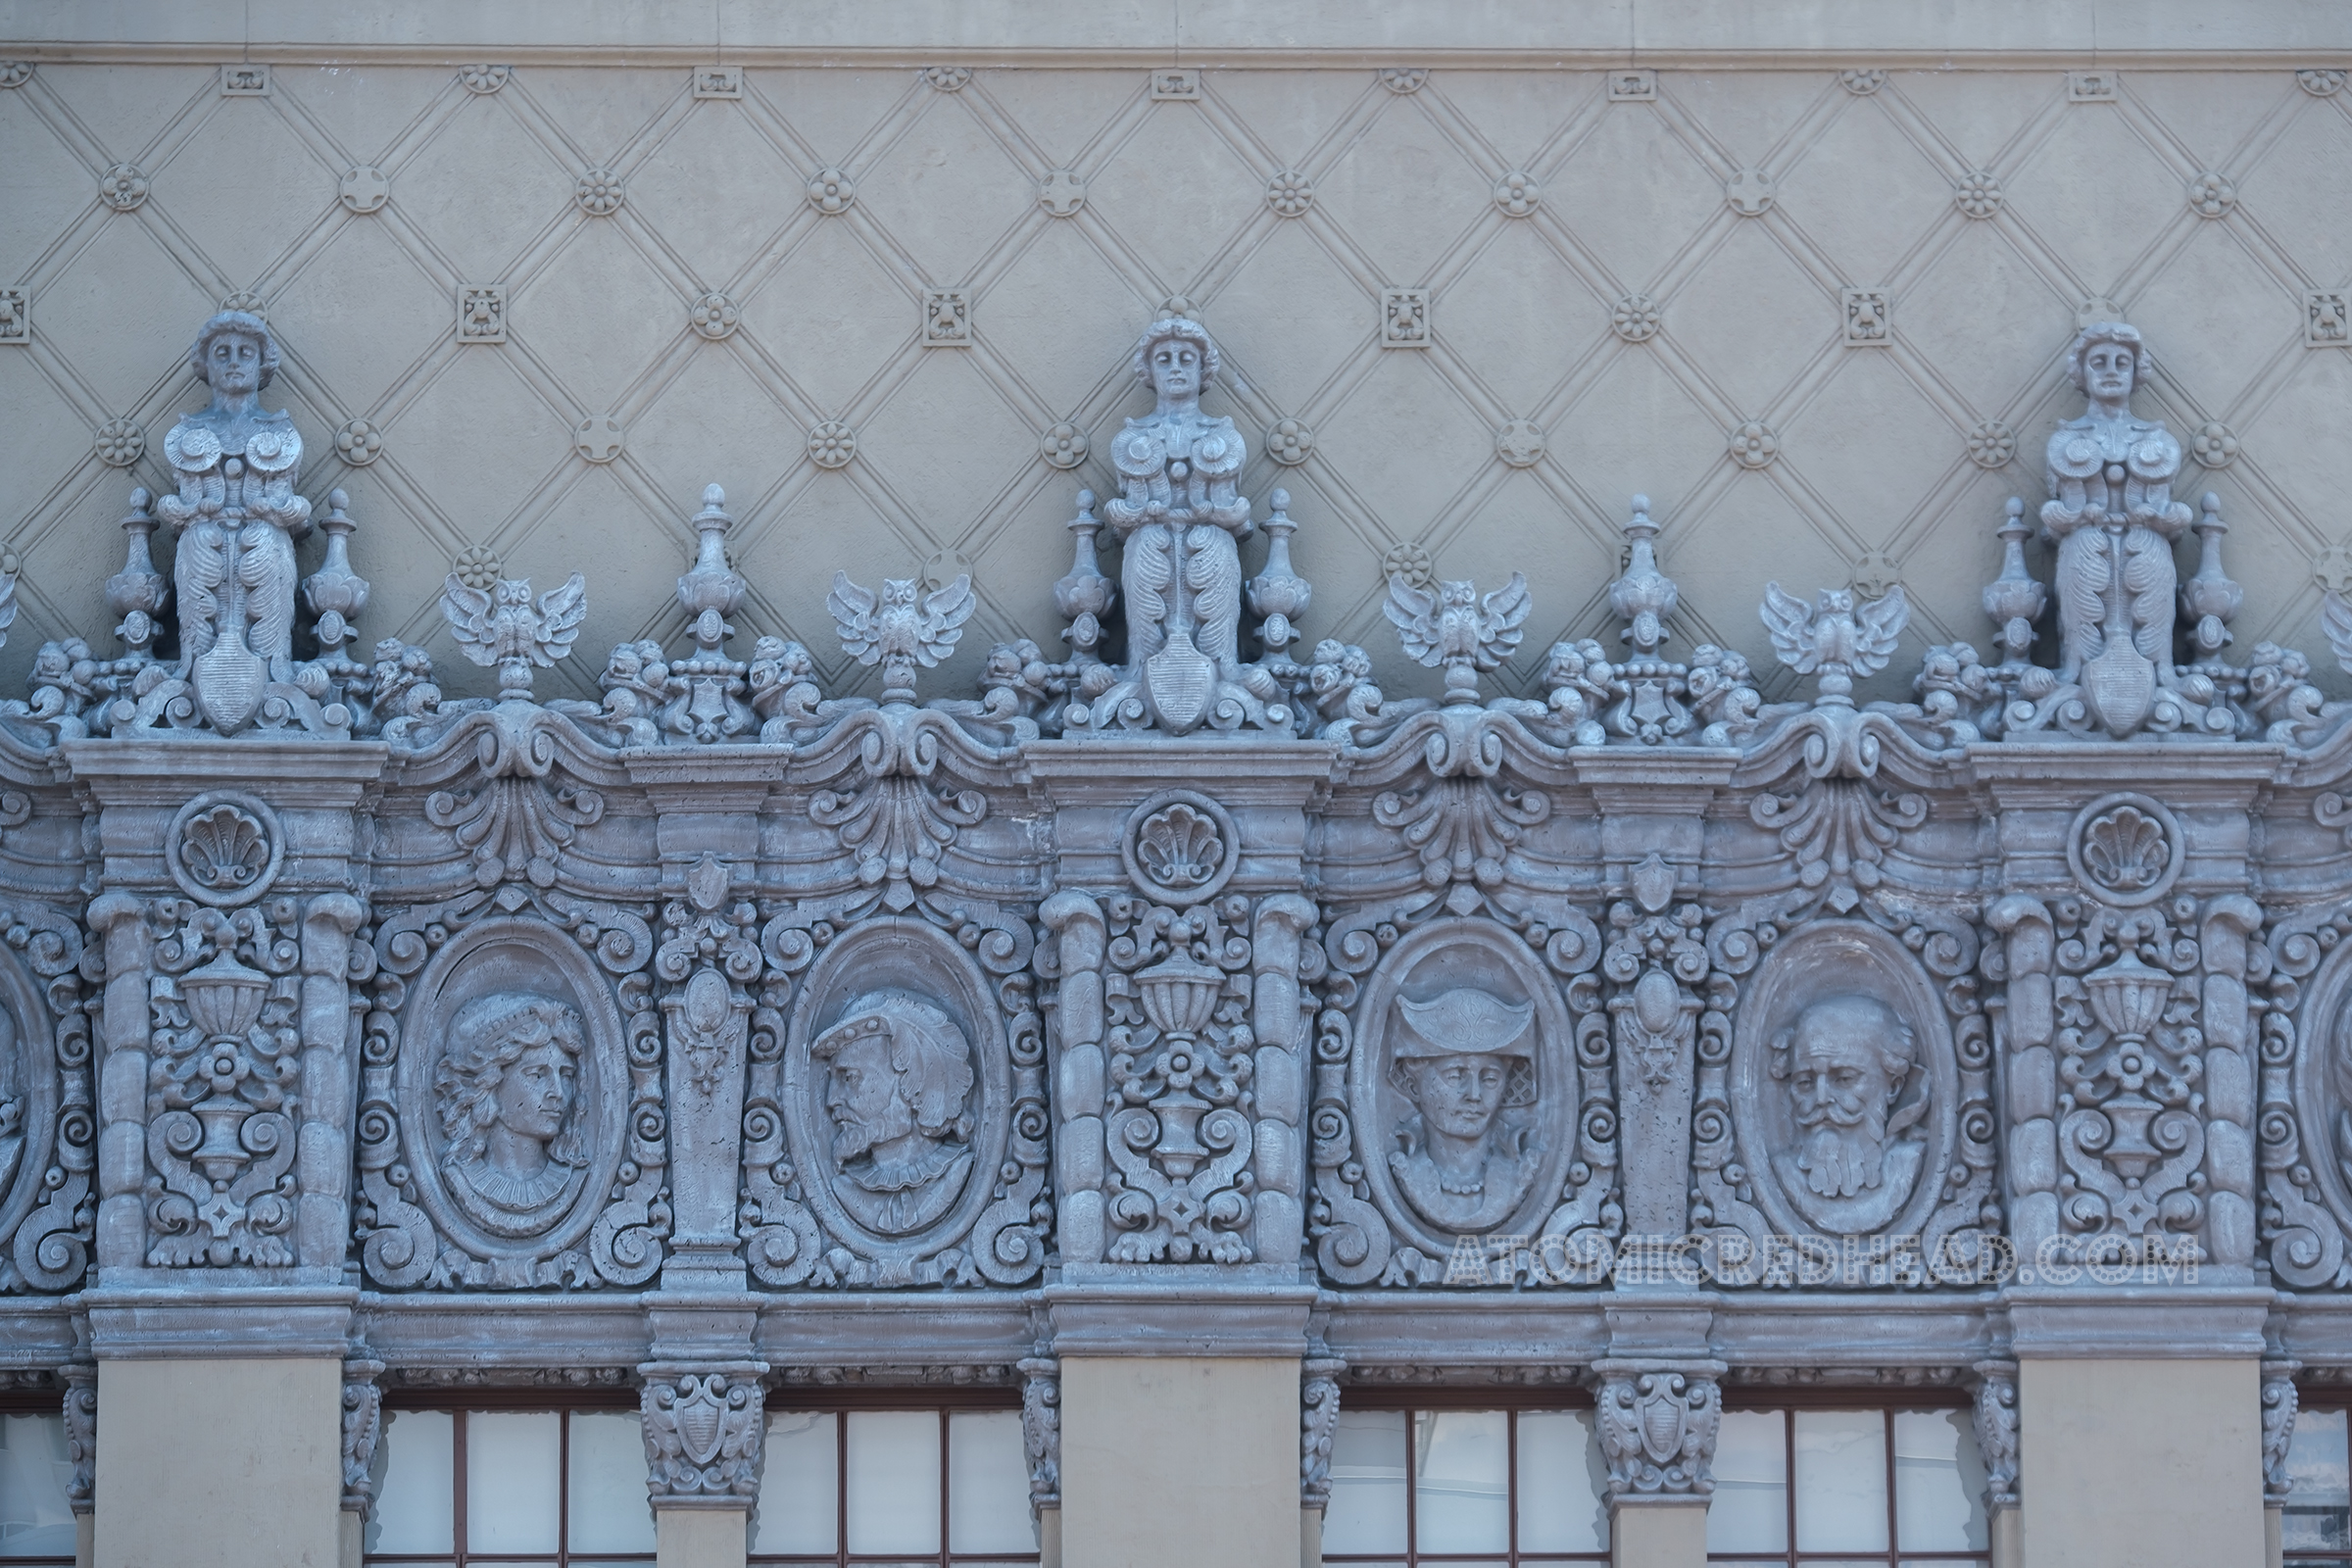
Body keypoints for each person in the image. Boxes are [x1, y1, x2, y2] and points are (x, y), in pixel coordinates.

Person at [154, 311, 314, 733]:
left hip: (266, 543)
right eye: (222, 353)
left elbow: (293, 508)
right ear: (205, 365)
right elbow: (179, 506)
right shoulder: (190, 431)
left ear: (264, 364)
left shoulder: (279, 431)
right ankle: (192, 664)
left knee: (268, 548)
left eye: (246, 352)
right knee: (196, 547)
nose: (234, 361)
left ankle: (276, 669)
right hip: (201, 542)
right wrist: (182, 510)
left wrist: (283, 511)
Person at [2038, 322, 2192, 736]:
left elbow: (2170, 512)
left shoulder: (2154, 438)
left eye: (2121, 362)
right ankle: (2075, 670)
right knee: (2078, 610)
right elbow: (2055, 516)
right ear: (2082, 374)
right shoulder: (2068, 437)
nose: (2111, 370)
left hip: (2147, 543)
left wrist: (2167, 516)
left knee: (2157, 607)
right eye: (2099, 362)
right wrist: (2073, 517)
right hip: (2085, 543)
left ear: (2136, 372)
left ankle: (2164, 672)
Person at [814, 991, 976, 1236]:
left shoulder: (959, 1172)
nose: (831, 1100)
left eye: (849, 1077)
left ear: (909, 1078)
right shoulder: (845, 1187)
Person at [433, 993, 589, 1238]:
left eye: (566, 1075)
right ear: (490, 1084)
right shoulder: (457, 1177)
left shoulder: (578, 1180)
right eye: (537, 1075)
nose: (558, 1093)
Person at [1768, 994, 1927, 1236]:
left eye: (1844, 1079)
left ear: (1893, 1086)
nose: (1821, 1098)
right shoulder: (1781, 1170)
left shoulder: (1909, 1163)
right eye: (1805, 1082)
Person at [1386, 988, 1540, 1234]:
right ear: (1415, 1085)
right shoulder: (1408, 1172)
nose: (1474, 1095)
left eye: (1490, 1078)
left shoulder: (1519, 1174)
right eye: (1456, 1076)